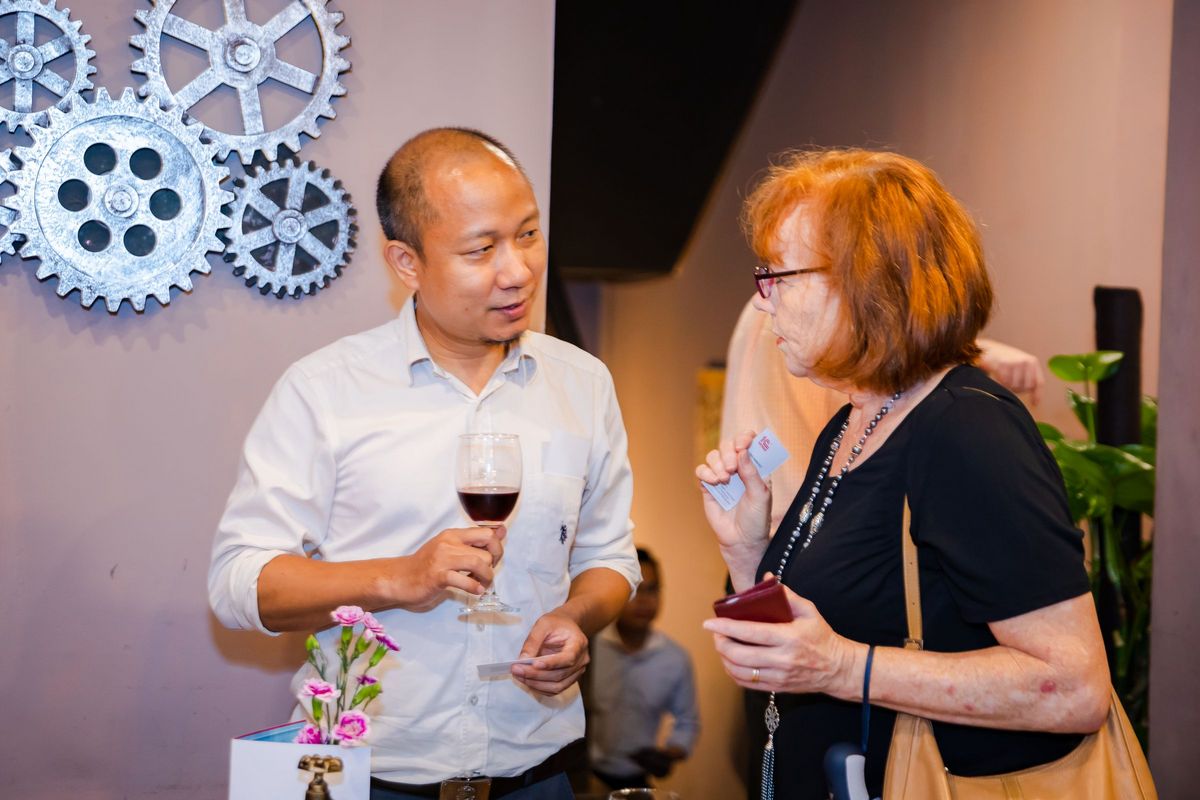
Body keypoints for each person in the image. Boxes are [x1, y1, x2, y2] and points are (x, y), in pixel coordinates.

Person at [208, 128, 640, 800]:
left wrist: (578, 617)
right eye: (481, 249)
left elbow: (611, 557)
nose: (517, 270)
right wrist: (399, 578)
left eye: (528, 234)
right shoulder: (325, 389)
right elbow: (239, 583)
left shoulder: (583, 383)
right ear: (407, 262)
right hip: (365, 779)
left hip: (538, 779)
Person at [696, 149, 1110, 799]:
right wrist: (744, 549)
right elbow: (788, 655)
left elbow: (1075, 688)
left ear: (867, 285)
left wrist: (843, 668)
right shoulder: (853, 421)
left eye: (780, 276)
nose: (764, 301)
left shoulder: (966, 429)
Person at [721, 299, 1046, 532]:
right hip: (799, 543)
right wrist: (980, 352)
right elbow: (886, 381)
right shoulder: (797, 323)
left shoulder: (767, 312)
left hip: (774, 538)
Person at [589, 548, 700, 790]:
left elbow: (687, 722)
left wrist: (669, 754)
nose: (644, 600)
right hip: (586, 777)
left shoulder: (674, 658)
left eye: (652, 590)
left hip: (638, 780)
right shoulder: (590, 648)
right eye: (636, 589)